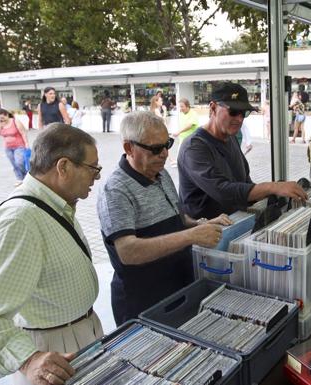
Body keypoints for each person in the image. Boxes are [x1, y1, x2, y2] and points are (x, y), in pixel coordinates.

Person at [0, 123, 104, 385]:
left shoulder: (56, 205)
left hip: (80, 333)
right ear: (63, 167)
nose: (96, 177)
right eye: (92, 168)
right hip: (53, 352)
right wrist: (29, 359)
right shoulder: (20, 220)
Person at [97, 111, 231, 326]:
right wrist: (191, 235)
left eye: (167, 144)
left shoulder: (161, 174)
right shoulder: (115, 191)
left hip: (179, 287)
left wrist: (200, 224)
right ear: (128, 148)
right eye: (155, 149)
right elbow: (128, 251)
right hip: (143, 302)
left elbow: (177, 218)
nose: (164, 154)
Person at [178, 82, 308, 219]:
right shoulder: (194, 147)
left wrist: (278, 193)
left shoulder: (231, 138)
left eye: (244, 113)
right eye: (233, 112)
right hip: (207, 233)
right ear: (213, 108)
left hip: (236, 222)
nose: (239, 119)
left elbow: (244, 183)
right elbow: (223, 191)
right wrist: (273, 187)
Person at [0, 108, 29, 186]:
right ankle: (20, 179)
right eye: (0, 118)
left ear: (6, 115)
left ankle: (27, 177)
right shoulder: (1, 124)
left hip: (19, 146)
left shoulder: (15, 121)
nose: (1, 119)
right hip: (8, 148)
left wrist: (26, 144)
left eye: (2, 117)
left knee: (19, 162)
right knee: (14, 164)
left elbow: (23, 132)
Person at [170, 98, 199, 166]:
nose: (180, 108)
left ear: (187, 106)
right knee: (182, 153)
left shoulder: (193, 113)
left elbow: (189, 125)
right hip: (183, 138)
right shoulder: (181, 113)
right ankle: (179, 162)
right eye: (179, 106)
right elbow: (182, 124)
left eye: (182, 106)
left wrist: (178, 132)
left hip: (192, 139)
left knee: (191, 154)